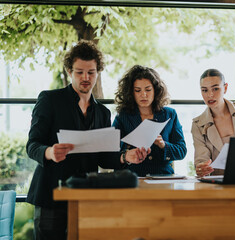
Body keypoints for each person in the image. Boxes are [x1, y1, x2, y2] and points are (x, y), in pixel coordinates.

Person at [26, 40, 122, 240]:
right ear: (69, 71)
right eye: (79, 72)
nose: (86, 78)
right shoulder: (50, 100)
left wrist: (125, 157)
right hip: (51, 193)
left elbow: (105, 159)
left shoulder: (103, 113)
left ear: (98, 72)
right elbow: (32, 145)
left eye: (91, 72)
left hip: (85, 197)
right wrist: (50, 152)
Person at [113, 65, 187, 177]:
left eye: (148, 90)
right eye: (137, 90)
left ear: (156, 90)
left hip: (163, 177)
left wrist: (163, 145)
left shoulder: (170, 114)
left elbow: (182, 151)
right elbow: (112, 149)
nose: (143, 95)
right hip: (132, 177)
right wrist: (128, 145)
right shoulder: (123, 116)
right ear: (131, 93)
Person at [191, 69, 235, 177]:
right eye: (204, 90)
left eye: (215, 88)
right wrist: (202, 168)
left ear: (225, 88)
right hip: (218, 184)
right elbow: (201, 160)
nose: (210, 95)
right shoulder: (198, 124)